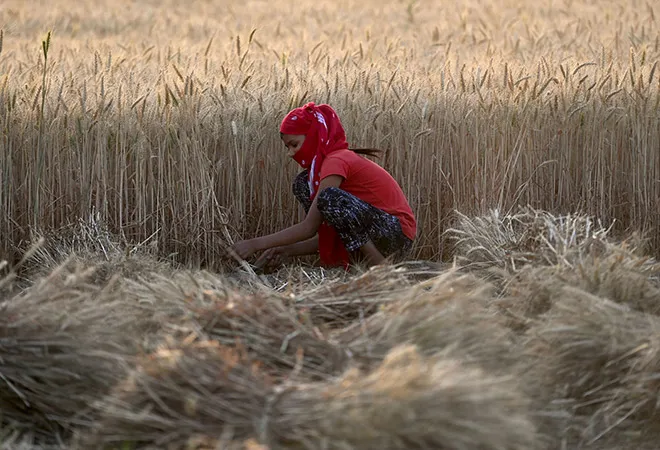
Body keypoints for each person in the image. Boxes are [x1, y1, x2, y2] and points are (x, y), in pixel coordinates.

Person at [231, 102, 416, 270]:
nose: (291, 153)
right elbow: (328, 234)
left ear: (313, 136)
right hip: (377, 232)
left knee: (330, 198)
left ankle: (383, 271)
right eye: (287, 148)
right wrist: (285, 250)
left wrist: (254, 244)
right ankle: (357, 267)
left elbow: (308, 227)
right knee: (303, 184)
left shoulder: (335, 160)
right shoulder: (318, 174)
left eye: (294, 145)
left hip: (396, 234)